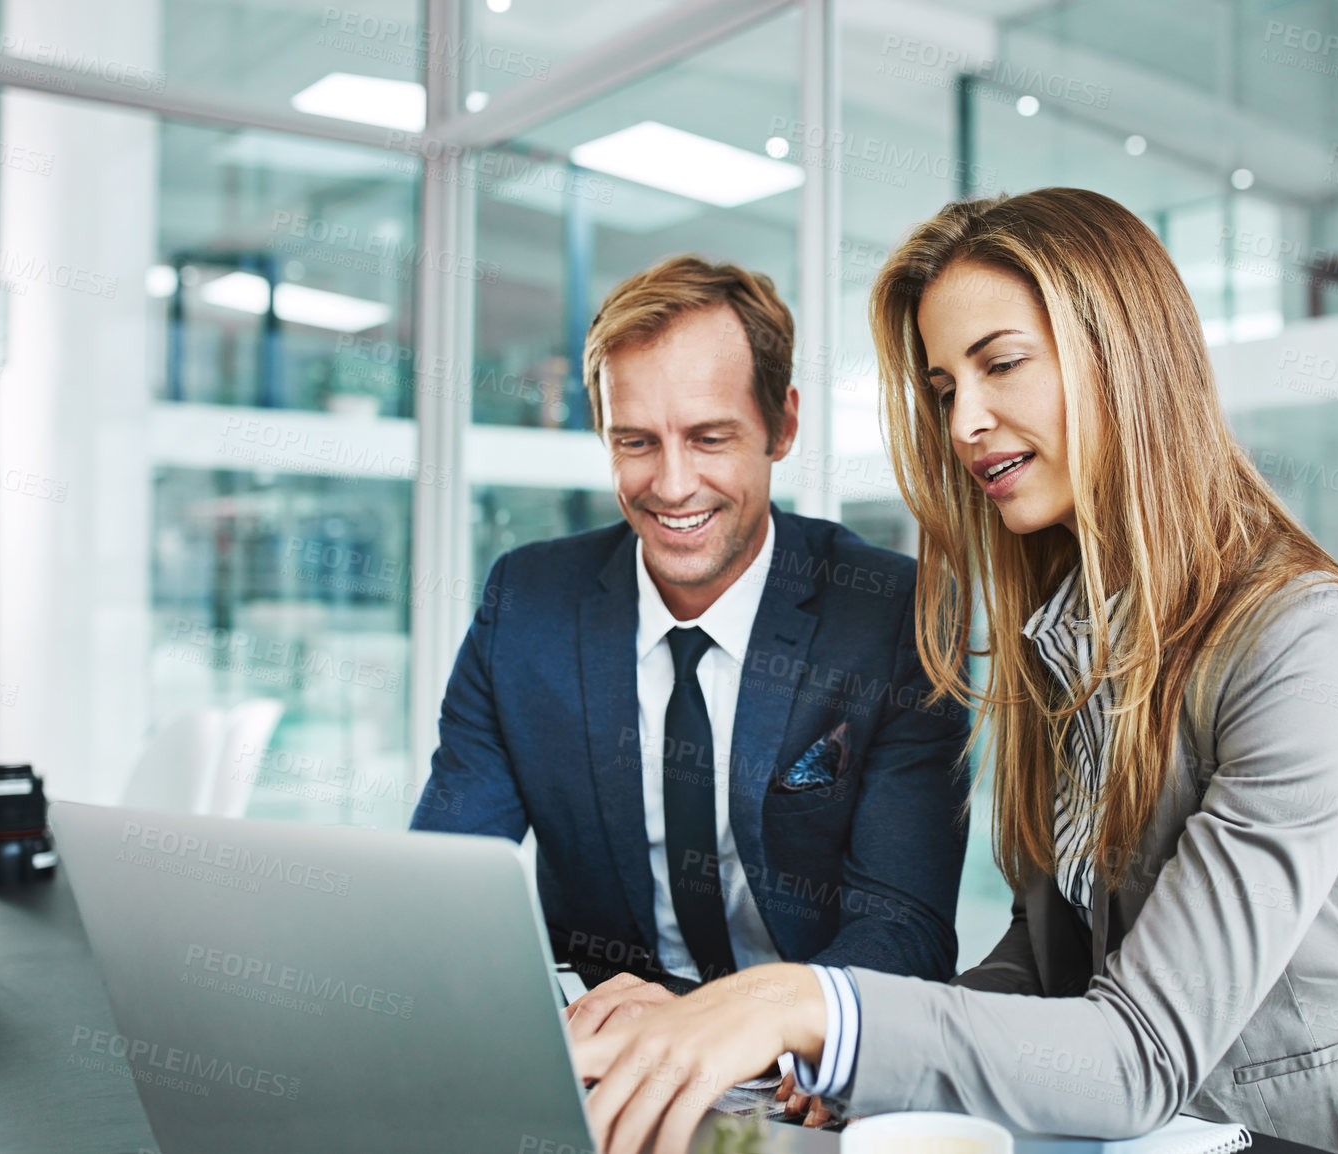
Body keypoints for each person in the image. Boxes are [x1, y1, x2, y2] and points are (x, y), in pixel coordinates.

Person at [571, 191, 1338, 1154]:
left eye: (1001, 364)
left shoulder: (1310, 649)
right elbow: (1045, 955)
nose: (966, 421)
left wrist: (805, 1002)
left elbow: (1139, 1058)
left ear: (1125, 356)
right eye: (943, 390)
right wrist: (844, 1061)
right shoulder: (1073, 641)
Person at [410, 255, 971, 1011]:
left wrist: (738, 1026)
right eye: (635, 441)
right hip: (609, 1047)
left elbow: (907, 926)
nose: (671, 486)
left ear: (782, 425)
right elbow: (441, 889)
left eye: (709, 438)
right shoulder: (528, 604)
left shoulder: (888, 612)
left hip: (804, 1057)